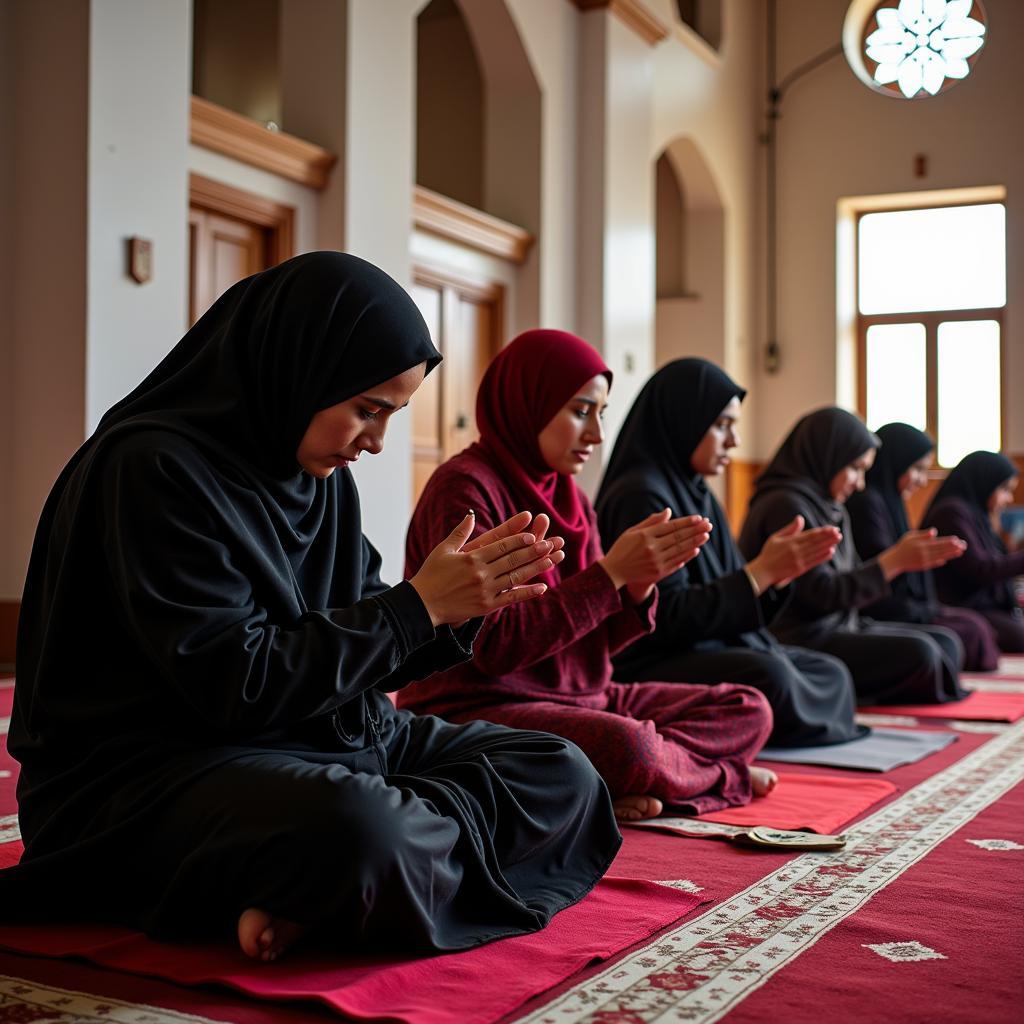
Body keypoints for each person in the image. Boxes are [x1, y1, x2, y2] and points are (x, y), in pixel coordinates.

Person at [1, 253, 622, 963]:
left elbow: (365, 643)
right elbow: (234, 684)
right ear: (300, 370)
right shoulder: (151, 469)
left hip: (317, 738)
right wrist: (417, 607)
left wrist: (459, 605)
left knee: (563, 774)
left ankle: (317, 890)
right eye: (368, 409)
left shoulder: (318, 478)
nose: (378, 441)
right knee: (365, 832)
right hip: (157, 773)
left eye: (392, 415)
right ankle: (339, 877)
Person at [399, 330, 775, 824]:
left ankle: (628, 785)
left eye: (600, 413)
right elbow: (495, 649)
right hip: (481, 704)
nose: (597, 435)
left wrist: (636, 586)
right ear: (529, 403)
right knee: (631, 746)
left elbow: (599, 646)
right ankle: (721, 778)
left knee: (749, 707)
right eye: (581, 412)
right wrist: (610, 573)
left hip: (583, 696)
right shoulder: (466, 489)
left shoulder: (571, 498)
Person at [595, 358, 860, 747]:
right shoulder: (643, 496)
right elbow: (665, 616)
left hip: (708, 644)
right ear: (684, 419)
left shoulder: (694, 489)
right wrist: (759, 575)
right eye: (722, 426)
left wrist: (773, 577)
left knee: (830, 671)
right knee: (771, 675)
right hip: (655, 657)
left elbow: (729, 584)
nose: (734, 442)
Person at [737, 407, 968, 705]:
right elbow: (817, 596)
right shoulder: (785, 505)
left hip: (845, 625)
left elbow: (851, 579)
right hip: (803, 636)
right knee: (922, 653)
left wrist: (900, 564)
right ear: (827, 455)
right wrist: (892, 562)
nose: (860, 483)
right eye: (856, 468)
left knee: (947, 642)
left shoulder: (830, 506)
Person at [847, 423, 1001, 671]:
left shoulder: (891, 502)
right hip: (882, 609)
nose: (921, 480)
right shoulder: (867, 502)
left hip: (907, 606)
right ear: (895, 462)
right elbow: (877, 572)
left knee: (974, 627)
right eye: (917, 469)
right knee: (967, 634)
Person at [921, 450, 1024, 653]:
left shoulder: (977, 514)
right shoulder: (951, 513)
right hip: (964, 606)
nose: (1008, 498)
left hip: (983, 605)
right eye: (1004, 489)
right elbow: (980, 570)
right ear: (985, 482)